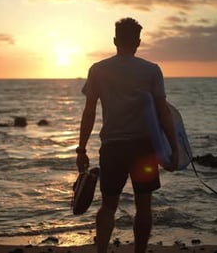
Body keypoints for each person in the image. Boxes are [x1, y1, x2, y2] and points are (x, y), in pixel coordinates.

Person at [75, 17, 179, 253]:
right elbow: (163, 112)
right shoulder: (151, 70)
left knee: (108, 206)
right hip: (144, 148)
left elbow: (89, 112)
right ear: (138, 42)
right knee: (144, 205)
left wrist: (81, 149)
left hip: (113, 147)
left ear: (114, 40)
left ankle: (102, 251)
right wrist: (174, 147)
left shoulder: (98, 70)